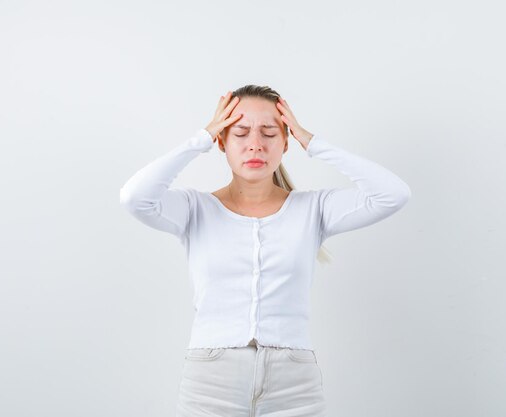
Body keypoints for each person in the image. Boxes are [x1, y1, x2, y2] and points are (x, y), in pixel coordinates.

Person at [119, 84, 411, 417]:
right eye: (240, 133)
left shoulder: (314, 208)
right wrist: (200, 138)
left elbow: (393, 194)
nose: (255, 144)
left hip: (295, 383)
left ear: (286, 142)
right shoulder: (194, 209)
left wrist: (313, 143)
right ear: (222, 142)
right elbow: (135, 197)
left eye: (270, 133)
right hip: (210, 382)